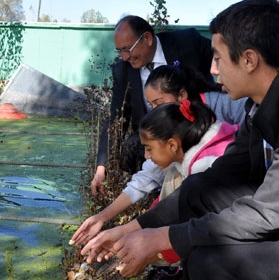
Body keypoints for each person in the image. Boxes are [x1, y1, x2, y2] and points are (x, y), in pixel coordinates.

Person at [81, 0, 279, 280]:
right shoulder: (258, 108)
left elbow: (268, 212)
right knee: (196, 191)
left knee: (209, 265)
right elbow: (215, 179)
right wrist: (132, 228)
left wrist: (161, 239)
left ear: (248, 60)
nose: (212, 70)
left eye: (218, 58)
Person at [71, 63, 246, 247]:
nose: (155, 110)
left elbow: (186, 215)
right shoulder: (182, 133)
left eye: (159, 103)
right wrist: (103, 218)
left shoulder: (203, 164)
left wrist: (149, 245)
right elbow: (147, 178)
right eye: (151, 105)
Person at [91, 15, 215, 197]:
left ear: (147, 38)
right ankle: (150, 194)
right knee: (131, 147)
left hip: (197, 126)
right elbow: (116, 117)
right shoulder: (122, 70)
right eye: (120, 51)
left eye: (127, 49)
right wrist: (102, 167)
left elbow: (226, 57)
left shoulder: (187, 42)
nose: (124, 57)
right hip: (157, 137)